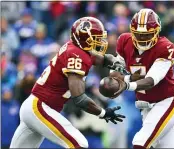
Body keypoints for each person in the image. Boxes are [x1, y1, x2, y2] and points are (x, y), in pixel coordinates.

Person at [10, 17, 126, 148]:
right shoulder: (76, 55)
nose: (99, 42)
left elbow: (101, 59)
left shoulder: (77, 49)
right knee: (79, 144)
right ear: (83, 38)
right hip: (41, 107)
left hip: (35, 106)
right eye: (95, 39)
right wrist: (103, 113)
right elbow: (80, 99)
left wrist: (117, 63)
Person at [109, 8, 174, 148]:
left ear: (156, 32)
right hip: (145, 107)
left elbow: (150, 81)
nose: (142, 39)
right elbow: (117, 69)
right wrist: (114, 81)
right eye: (138, 34)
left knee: (140, 141)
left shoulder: (165, 47)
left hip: (165, 103)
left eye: (147, 35)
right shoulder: (125, 41)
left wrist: (126, 85)